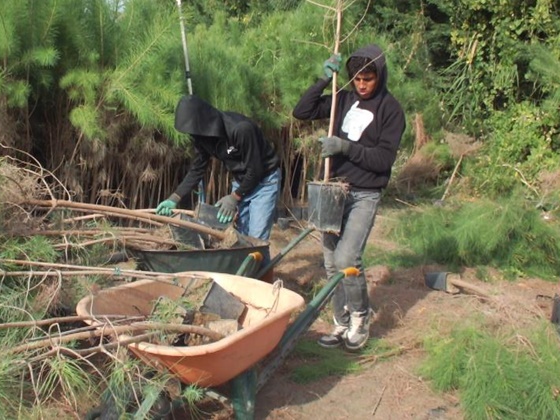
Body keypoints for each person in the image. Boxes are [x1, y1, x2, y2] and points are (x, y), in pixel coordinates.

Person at [292, 44, 406, 350]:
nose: (362, 84)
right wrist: (321, 79)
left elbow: (383, 160)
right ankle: (341, 323)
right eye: (356, 78)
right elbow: (301, 112)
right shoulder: (342, 100)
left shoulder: (390, 110)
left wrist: (345, 148)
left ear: (379, 76)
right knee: (330, 262)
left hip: (364, 194)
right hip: (334, 190)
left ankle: (360, 316)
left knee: (347, 258)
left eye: (368, 78)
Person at [156, 95, 281, 245]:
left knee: (256, 238)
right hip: (242, 180)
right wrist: (175, 198)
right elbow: (197, 169)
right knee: (238, 236)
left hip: (264, 181)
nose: (193, 136)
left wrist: (234, 197)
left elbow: (255, 170)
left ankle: (262, 267)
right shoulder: (202, 138)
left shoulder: (240, 129)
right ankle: (245, 267)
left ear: (203, 123)